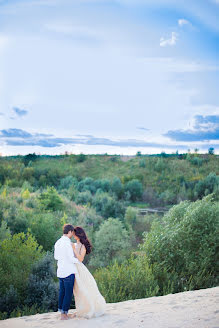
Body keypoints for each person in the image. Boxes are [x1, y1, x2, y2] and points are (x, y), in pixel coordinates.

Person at [72, 226, 106, 318]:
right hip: (73, 268)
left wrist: (74, 249)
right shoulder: (74, 244)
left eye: (74, 234)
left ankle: (90, 308)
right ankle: (81, 310)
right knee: (77, 291)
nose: (73, 235)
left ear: (78, 234)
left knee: (85, 288)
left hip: (79, 269)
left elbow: (80, 259)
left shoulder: (83, 246)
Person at [54, 224, 79, 320]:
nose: (72, 235)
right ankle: (64, 314)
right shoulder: (67, 243)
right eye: (72, 233)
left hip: (60, 270)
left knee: (62, 292)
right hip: (68, 271)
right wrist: (79, 262)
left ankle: (61, 311)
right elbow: (71, 258)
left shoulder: (58, 242)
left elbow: (56, 257)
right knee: (68, 293)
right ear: (69, 232)